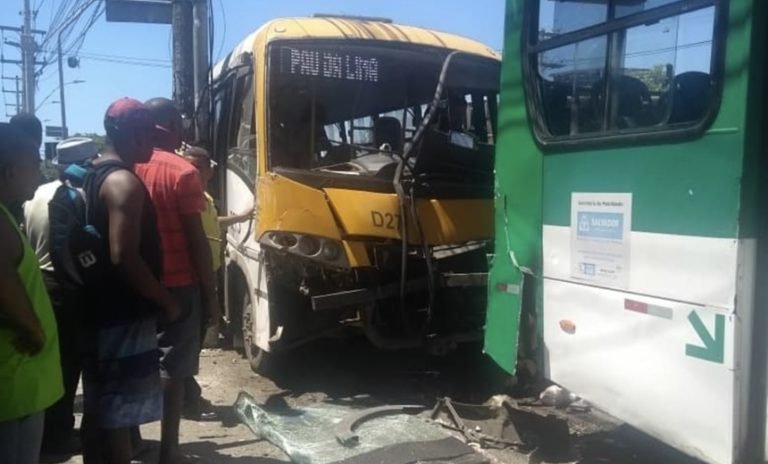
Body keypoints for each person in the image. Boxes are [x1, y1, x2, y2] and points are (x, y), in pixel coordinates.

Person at [80, 98, 179, 464]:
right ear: (129, 134)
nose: (151, 143)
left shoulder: (93, 173)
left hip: (101, 309)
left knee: (105, 402)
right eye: (146, 135)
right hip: (123, 312)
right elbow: (126, 257)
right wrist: (166, 300)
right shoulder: (125, 183)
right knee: (120, 410)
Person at [134, 98, 220, 464]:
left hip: (135, 281)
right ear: (171, 124)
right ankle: (170, 450)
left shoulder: (127, 166)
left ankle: (133, 440)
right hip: (179, 283)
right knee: (173, 367)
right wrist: (211, 296)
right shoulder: (183, 173)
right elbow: (197, 242)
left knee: (134, 359)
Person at [23, 137, 97, 454]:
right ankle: (59, 435)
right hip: (65, 286)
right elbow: (77, 250)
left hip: (38, 283)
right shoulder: (71, 196)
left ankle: (52, 432)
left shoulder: (35, 194)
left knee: (54, 365)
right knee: (73, 364)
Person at [0, 124, 64, 464]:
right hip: (14, 382)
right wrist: (35, 330)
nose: (40, 171)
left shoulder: (8, 215)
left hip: (19, 380)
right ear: (10, 171)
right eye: (34, 163)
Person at [181, 145, 252, 420]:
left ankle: (188, 393)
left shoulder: (205, 198)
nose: (192, 172)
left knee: (195, 341)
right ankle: (187, 397)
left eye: (198, 167)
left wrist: (242, 217)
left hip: (207, 273)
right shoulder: (187, 197)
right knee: (189, 342)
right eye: (189, 166)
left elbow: (213, 224)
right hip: (194, 278)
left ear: (210, 170)